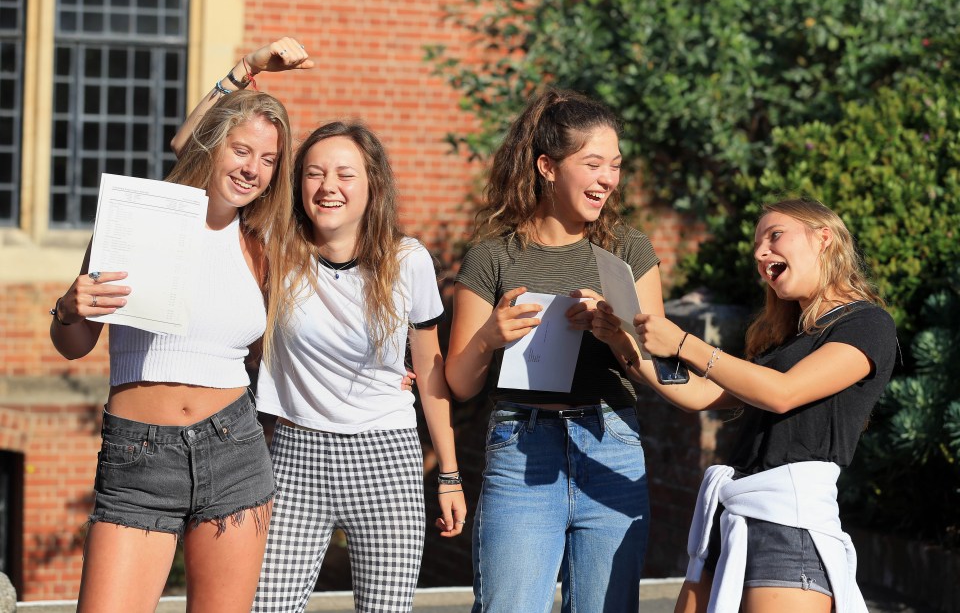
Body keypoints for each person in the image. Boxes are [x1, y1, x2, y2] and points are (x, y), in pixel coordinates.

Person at [174, 39, 467, 613]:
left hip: (387, 458)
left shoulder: (408, 260)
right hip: (293, 456)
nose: (328, 186)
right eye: (313, 173)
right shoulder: (275, 246)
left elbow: (430, 369)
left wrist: (450, 473)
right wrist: (246, 70)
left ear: (372, 185)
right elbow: (190, 151)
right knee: (267, 606)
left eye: (344, 174)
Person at [50, 88, 295, 611]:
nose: (253, 168)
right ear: (212, 145)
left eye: (269, 159)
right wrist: (69, 308)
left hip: (234, 452)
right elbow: (73, 345)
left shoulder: (262, 245)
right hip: (139, 457)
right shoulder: (137, 223)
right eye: (241, 150)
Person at [592, 198, 898, 613]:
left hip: (790, 528)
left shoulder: (867, 324)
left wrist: (684, 343)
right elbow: (700, 394)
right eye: (757, 244)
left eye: (774, 236)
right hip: (734, 518)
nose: (759, 253)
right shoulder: (786, 342)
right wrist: (621, 343)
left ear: (823, 237)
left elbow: (782, 392)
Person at [445, 87, 664, 613]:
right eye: (592, 164)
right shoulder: (491, 257)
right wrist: (489, 337)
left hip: (610, 442)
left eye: (614, 165)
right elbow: (459, 382)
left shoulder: (627, 248)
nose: (607, 179)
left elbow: (656, 363)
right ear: (547, 166)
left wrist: (616, 334)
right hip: (522, 447)